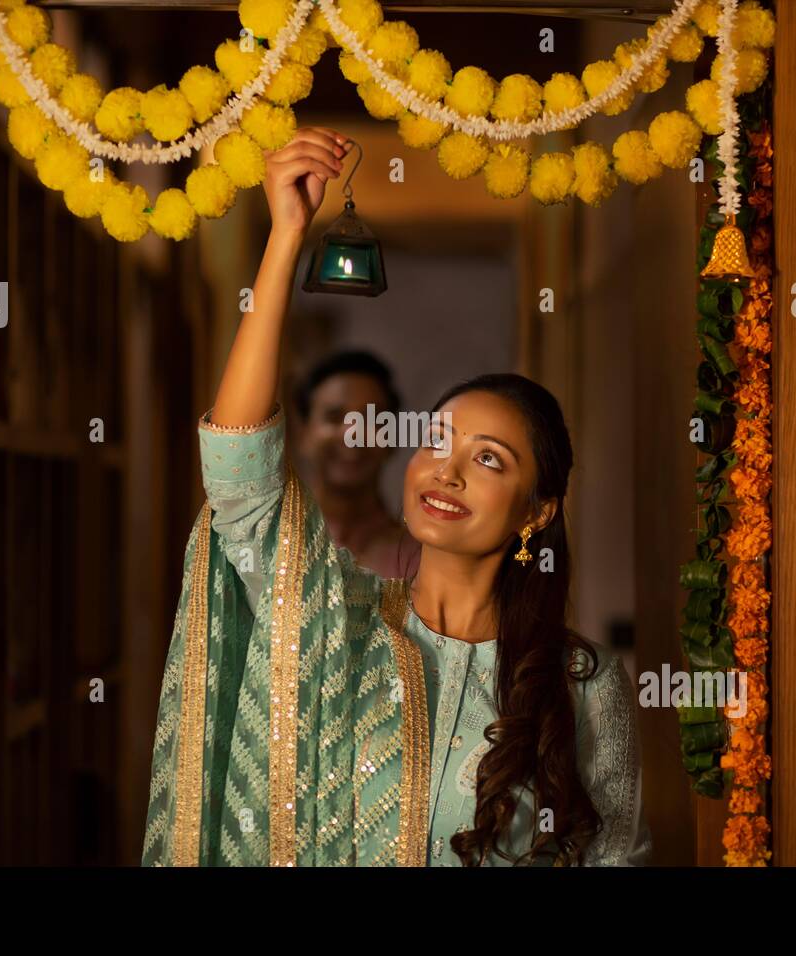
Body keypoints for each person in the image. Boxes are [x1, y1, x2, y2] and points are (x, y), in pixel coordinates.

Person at [143, 127, 650, 867]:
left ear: (537, 511)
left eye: (487, 460)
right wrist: (286, 237)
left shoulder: (582, 684)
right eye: (437, 441)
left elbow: (617, 857)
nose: (445, 471)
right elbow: (238, 471)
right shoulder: (336, 618)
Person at [294, 350, 415, 579]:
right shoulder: (269, 547)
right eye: (334, 417)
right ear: (303, 434)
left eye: (370, 419)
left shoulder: (418, 561)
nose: (352, 433)